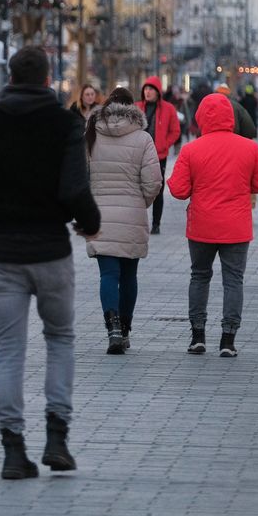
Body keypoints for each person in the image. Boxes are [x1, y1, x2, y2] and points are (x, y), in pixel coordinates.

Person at [0, 46, 100, 479]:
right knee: (60, 339)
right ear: (47, 76)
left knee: (9, 350)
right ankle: (57, 437)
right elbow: (75, 188)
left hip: (2, 253)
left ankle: (13, 449)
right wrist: (90, 222)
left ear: (10, 76)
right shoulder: (63, 123)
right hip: (50, 249)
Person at [168, 93, 258, 357]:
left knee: (199, 276)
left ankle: (197, 336)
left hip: (202, 225)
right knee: (233, 281)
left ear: (202, 118)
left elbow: (179, 190)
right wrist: (241, 185)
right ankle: (228, 339)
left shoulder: (192, 149)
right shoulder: (248, 148)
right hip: (236, 227)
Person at [84, 87, 162, 355]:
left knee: (108, 274)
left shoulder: (91, 134)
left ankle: (113, 328)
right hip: (132, 214)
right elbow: (153, 182)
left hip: (100, 215)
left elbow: (81, 174)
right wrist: (141, 203)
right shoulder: (143, 138)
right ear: (133, 108)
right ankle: (125, 329)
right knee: (129, 275)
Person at [135, 76, 181, 235]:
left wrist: (164, 144)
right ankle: (139, 222)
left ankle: (156, 223)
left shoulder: (168, 109)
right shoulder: (137, 107)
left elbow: (175, 131)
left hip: (159, 155)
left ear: (157, 92)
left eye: (151, 89)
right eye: (145, 89)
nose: (147, 92)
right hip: (138, 155)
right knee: (137, 189)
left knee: (157, 189)